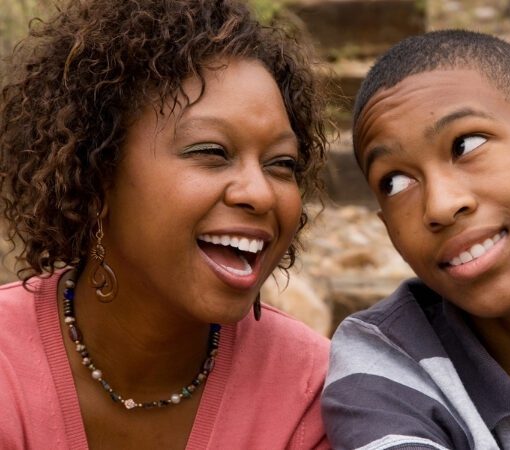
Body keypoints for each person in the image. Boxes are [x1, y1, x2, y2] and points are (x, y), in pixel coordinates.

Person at [0, 0, 331, 448]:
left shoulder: (309, 392)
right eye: (211, 152)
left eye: (281, 163)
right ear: (97, 173)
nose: (260, 192)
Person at [322, 29, 510, 449]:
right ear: (387, 227)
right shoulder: (385, 366)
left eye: (466, 145)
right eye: (396, 182)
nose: (439, 206)